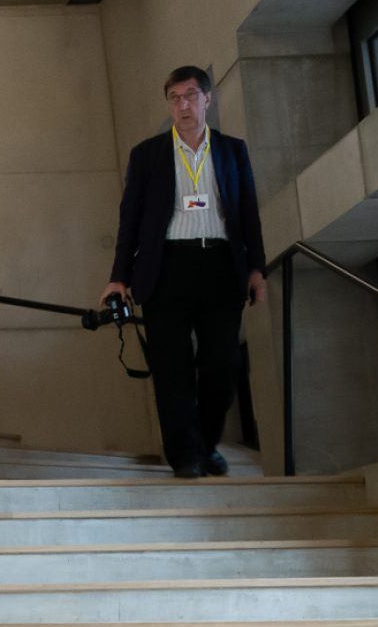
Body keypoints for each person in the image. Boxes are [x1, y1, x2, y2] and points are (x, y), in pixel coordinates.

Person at [103, 64, 268, 478]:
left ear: (207, 100)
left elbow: (248, 214)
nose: (183, 106)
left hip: (219, 266)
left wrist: (256, 268)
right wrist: (119, 277)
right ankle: (185, 456)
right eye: (175, 99)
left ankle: (207, 442)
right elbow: (130, 220)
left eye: (191, 96)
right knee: (172, 369)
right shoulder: (148, 155)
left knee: (221, 366)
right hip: (166, 270)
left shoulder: (232, 150)